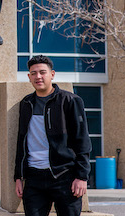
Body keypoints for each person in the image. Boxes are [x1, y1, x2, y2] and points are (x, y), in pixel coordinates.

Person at [13, 55, 92, 216]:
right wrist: (18, 177)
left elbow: (82, 140)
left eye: (42, 72)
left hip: (64, 176)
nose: (38, 77)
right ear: (29, 77)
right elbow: (21, 140)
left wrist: (82, 176)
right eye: (33, 73)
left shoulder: (70, 101)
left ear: (52, 74)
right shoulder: (26, 103)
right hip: (34, 178)